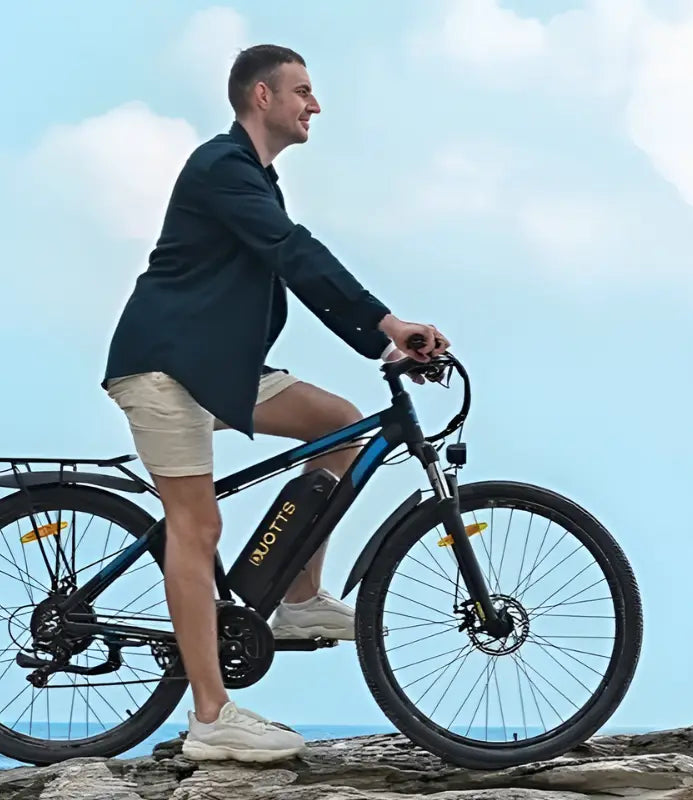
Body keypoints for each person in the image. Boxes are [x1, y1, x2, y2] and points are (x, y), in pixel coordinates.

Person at [102, 44, 450, 763]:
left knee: (342, 426)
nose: (314, 106)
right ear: (261, 97)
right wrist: (389, 322)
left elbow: (299, 269)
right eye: (302, 91)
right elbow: (297, 255)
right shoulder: (222, 169)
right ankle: (210, 716)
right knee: (195, 528)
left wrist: (381, 348)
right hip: (163, 367)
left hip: (217, 368)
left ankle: (296, 598)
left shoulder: (259, 181)